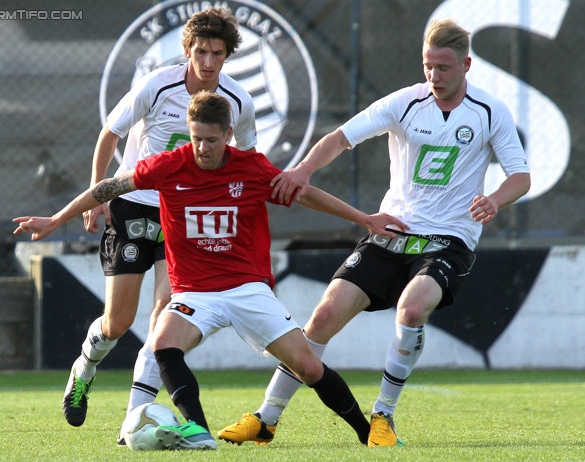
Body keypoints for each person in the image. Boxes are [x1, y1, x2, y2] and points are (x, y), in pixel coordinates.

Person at [14, 91, 408, 450]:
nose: (202, 147)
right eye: (196, 137)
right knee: (163, 344)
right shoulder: (169, 166)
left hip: (248, 289)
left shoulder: (251, 168)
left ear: (229, 134)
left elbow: (303, 194)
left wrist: (365, 218)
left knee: (307, 366)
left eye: (211, 139)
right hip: (194, 293)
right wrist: (56, 219)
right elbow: (108, 188)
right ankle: (199, 432)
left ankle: (366, 434)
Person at [217, 18, 531, 447]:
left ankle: (383, 415)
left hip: (449, 240)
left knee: (412, 309)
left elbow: (521, 176)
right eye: (427, 67)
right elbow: (340, 138)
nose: (434, 77)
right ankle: (265, 419)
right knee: (323, 318)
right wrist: (303, 170)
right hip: (391, 231)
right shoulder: (405, 102)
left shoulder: (491, 111)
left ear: (466, 65)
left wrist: (495, 199)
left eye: (443, 68)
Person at [61, 7, 258, 437]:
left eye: (217, 54)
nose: (208, 62)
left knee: (162, 318)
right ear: (188, 49)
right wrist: (98, 196)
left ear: (228, 56)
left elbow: (245, 161)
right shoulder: (157, 85)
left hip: (185, 217)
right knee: (118, 322)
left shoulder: (239, 101)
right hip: (133, 202)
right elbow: (108, 135)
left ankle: (133, 420)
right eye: (201, 51)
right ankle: (84, 368)